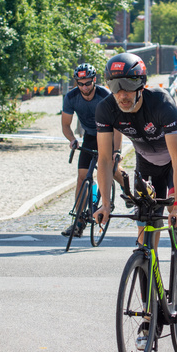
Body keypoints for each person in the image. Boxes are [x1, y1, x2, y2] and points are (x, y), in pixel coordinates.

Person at [93, 53, 177, 294]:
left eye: (129, 86)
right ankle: (148, 315)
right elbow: (103, 159)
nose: (122, 94)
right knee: (144, 239)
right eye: (114, 86)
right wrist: (105, 204)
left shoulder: (161, 102)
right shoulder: (106, 109)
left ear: (141, 84)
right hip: (148, 163)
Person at [61, 63, 124, 237]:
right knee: (82, 177)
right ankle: (78, 222)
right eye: (80, 83)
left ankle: (127, 190)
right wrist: (72, 139)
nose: (84, 87)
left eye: (88, 83)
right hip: (90, 136)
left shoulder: (105, 95)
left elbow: (118, 125)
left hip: (108, 133)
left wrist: (117, 150)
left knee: (113, 169)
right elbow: (65, 125)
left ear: (94, 80)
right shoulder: (72, 97)